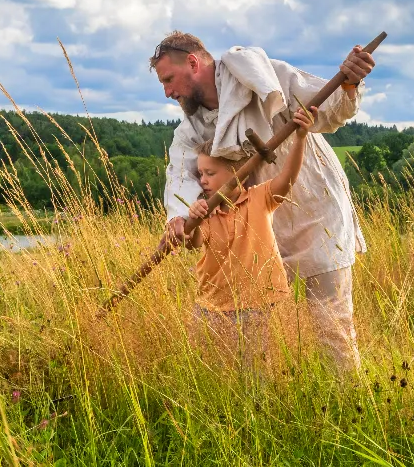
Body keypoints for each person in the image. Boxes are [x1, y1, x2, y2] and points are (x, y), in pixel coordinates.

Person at [149, 31, 375, 372]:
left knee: (332, 326)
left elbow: (327, 112)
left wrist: (348, 84)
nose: (168, 92)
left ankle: (351, 405)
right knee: (257, 333)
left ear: (193, 63)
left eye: (169, 79)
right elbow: (180, 174)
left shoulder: (262, 75)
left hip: (315, 211)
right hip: (256, 230)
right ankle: (273, 406)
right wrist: (178, 218)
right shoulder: (193, 129)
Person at [184, 105, 316, 368]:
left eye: (210, 173)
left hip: (260, 305)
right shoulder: (206, 213)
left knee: (257, 374)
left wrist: (300, 137)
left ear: (237, 173)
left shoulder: (259, 198)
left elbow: (288, 177)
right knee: (214, 373)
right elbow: (194, 241)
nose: (203, 181)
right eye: (200, 174)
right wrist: (195, 220)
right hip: (214, 306)